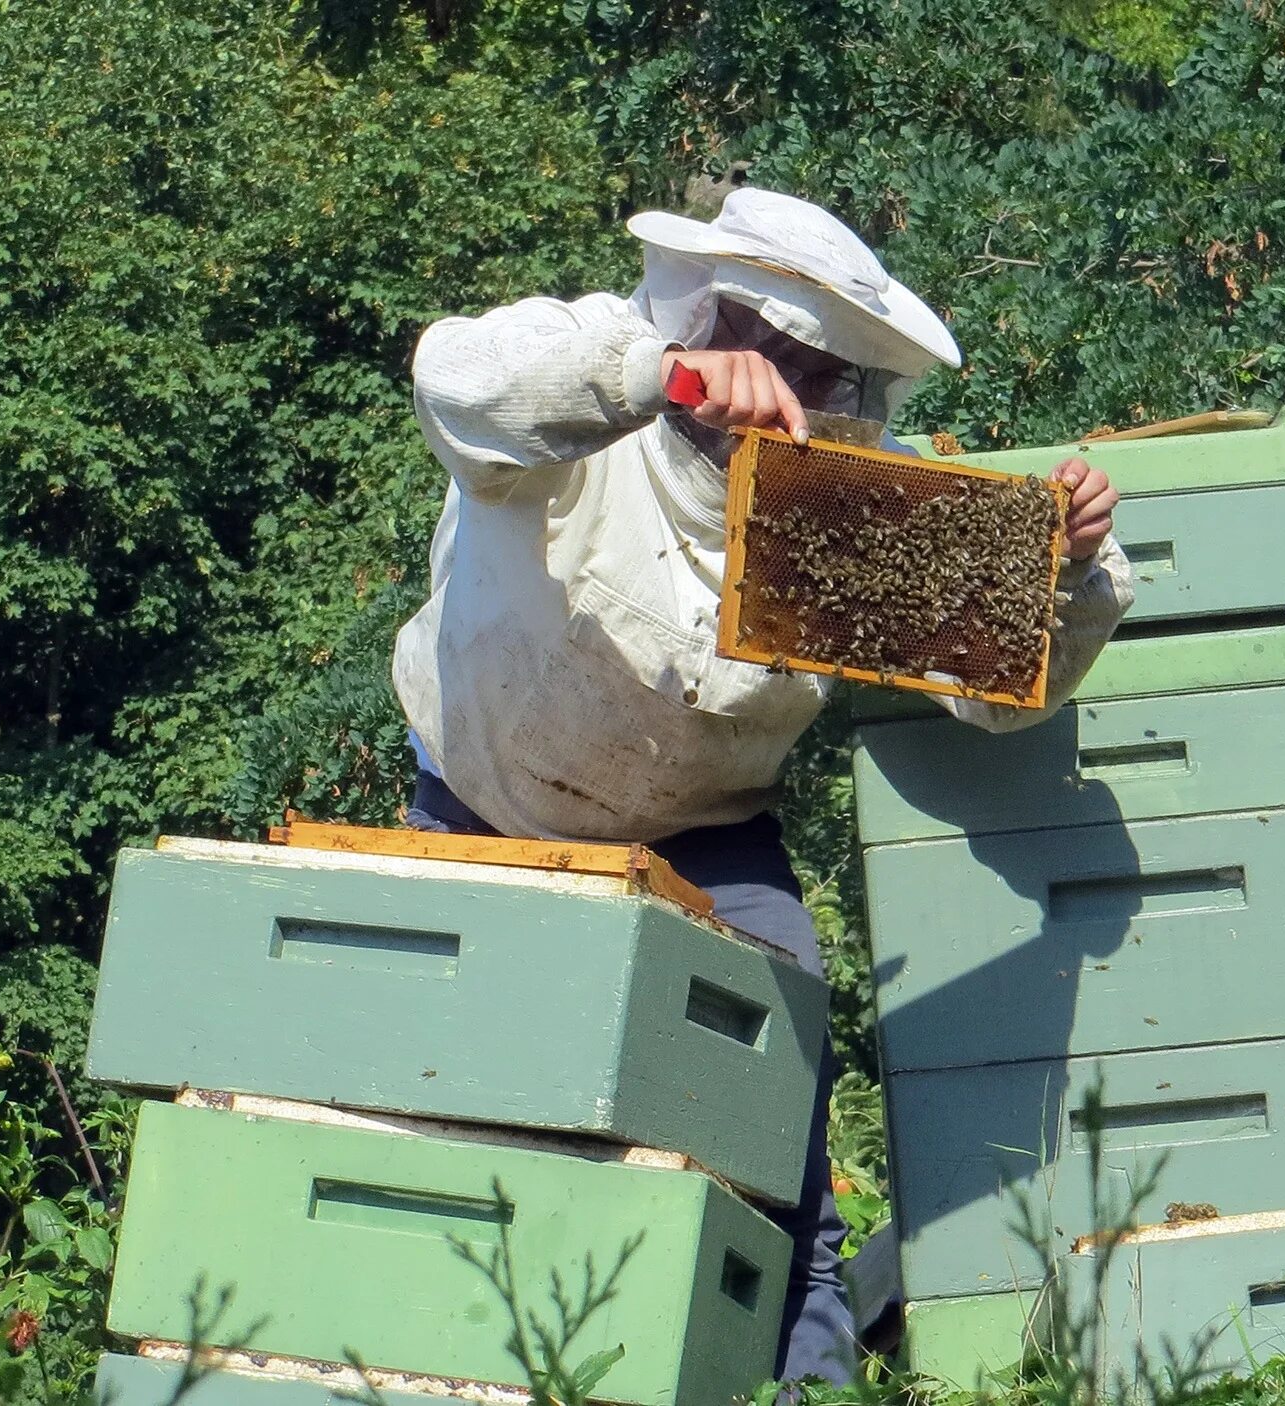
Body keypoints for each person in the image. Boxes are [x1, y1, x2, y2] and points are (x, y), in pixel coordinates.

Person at [390, 187, 1135, 1384]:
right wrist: (664, 379)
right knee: (452, 1146)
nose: (799, 395)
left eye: (830, 375)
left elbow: (994, 690)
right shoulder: (583, 387)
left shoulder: (839, 505)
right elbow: (455, 379)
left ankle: (807, 1377)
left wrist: (1072, 570)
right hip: (475, 814)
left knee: (780, 1175)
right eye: (783, 358)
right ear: (715, 319)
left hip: (707, 843)